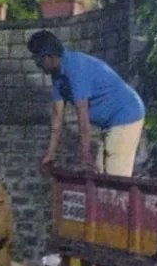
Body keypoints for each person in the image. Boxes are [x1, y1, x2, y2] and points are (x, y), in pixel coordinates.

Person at [27, 30, 145, 177]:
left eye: (37, 58)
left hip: (126, 114)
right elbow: (57, 120)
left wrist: (85, 157)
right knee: (100, 176)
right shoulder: (57, 75)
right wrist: (50, 154)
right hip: (110, 124)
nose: (37, 64)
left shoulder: (76, 68)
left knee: (114, 179)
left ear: (48, 57)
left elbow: (83, 119)